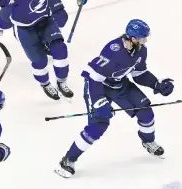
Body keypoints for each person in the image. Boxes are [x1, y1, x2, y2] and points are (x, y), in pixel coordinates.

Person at [54, 19, 175, 178]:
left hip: (119, 84)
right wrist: (99, 101)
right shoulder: (114, 51)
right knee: (99, 125)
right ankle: (68, 159)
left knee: (146, 112)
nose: (145, 41)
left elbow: (139, 74)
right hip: (97, 85)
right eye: (142, 38)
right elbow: (95, 77)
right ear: (133, 38)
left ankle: (148, 141)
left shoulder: (140, 51)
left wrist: (156, 85)